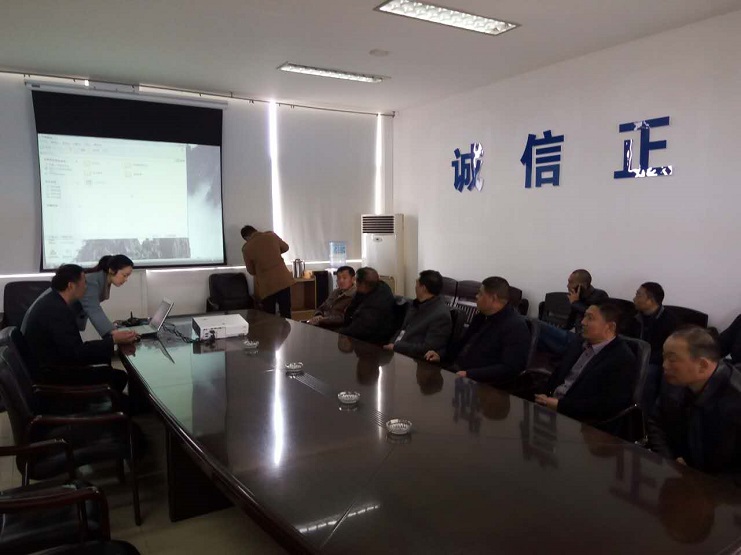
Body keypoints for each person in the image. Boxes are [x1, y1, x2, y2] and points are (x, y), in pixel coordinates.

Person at [22, 264, 136, 391]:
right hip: (54, 376)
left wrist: (110, 342)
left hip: (53, 365)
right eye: (84, 282)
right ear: (71, 286)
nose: (86, 287)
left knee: (107, 364)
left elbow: (73, 349)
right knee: (118, 377)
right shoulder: (57, 311)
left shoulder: (53, 302)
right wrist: (113, 340)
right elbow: (76, 353)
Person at [647, 327, 741, 478]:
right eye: (664, 357)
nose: (664, 365)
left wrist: (701, 479)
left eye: (672, 359)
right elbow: (656, 422)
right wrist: (669, 460)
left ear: (703, 365)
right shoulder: (675, 381)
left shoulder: (735, 399)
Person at [535, 303, 637, 430]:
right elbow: (558, 375)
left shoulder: (622, 359)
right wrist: (543, 395)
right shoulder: (579, 343)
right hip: (550, 408)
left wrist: (559, 405)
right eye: (584, 316)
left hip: (581, 424)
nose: (583, 322)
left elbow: (607, 406)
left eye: (590, 318)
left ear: (610, 327)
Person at [425, 276, 530, 385]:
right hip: (458, 371)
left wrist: (470, 374)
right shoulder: (481, 317)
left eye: (480, 294)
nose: (476, 296)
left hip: (482, 384)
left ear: (493, 298)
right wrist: (440, 355)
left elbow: (510, 368)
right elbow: (462, 344)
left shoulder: (515, 327)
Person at [21, 254, 134, 338]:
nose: (126, 279)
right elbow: (94, 310)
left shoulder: (99, 279)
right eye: (124, 275)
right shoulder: (91, 281)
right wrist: (115, 334)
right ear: (111, 270)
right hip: (39, 329)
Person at [627, 282, 680, 407]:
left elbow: (669, 351)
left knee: (648, 373)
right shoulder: (633, 316)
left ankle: (643, 411)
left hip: (656, 361)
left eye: (638, 295)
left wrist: (645, 360)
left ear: (650, 301)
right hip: (635, 356)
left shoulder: (670, 321)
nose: (634, 298)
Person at [538, 269, 608, 356]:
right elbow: (570, 322)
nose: (567, 286)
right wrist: (560, 329)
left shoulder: (600, 295)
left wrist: (575, 303)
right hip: (574, 338)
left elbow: (594, 316)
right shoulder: (577, 297)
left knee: (537, 326)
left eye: (571, 282)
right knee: (537, 334)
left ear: (582, 285)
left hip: (584, 342)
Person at [383, 270, 452, 359]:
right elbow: (402, 330)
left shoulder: (441, 315)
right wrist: (391, 343)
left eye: (417, 284)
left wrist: (396, 347)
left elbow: (427, 348)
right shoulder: (416, 304)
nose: (415, 287)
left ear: (423, 288)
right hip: (394, 351)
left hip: (410, 358)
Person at [241, 225, 294, 318]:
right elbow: (286, 247)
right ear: (255, 230)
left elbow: (251, 271)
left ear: (246, 238)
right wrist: (274, 252)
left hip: (267, 285)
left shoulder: (246, 248)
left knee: (269, 316)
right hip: (283, 280)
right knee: (286, 312)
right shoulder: (271, 235)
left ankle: (271, 328)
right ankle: (289, 328)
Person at [338, 267, 396, 344]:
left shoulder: (376, 302)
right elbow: (351, 311)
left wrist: (340, 332)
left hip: (372, 342)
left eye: (357, 281)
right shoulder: (373, 288)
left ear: (362, 284)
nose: (355, 283)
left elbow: (360, 329)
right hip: (361, 333)